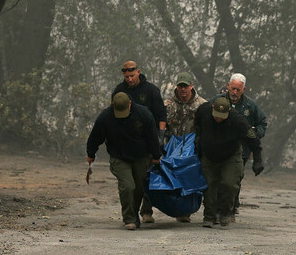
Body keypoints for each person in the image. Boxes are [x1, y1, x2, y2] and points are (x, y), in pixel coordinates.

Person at [86, 92, 161, 230]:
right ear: (113, 105)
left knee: (139, 188)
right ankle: (129, 218)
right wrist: (91, 154)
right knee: (127, 186)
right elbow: (95, 137)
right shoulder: (105, 117)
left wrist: (156, 156)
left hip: (141, 157)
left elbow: (152, 137)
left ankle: (134, 215)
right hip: (119, 157)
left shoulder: (144, 114)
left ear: (130, 104)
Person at [194, 97, 264, 228]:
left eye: (222, 117)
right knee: (209, 186)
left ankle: (225, 212)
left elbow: (253, 138)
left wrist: (258, 161)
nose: (218, 119)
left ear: (229, 111)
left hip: (231, 155)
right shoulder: (204, 110)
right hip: (209, 155)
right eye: (216, 116)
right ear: (212, 108)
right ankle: (209, 216)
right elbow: (197, 120)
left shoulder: (238, 120)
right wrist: (198, 137)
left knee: (230, 184)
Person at [111, 60, 167, 223]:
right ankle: (131, 214)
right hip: (127, 142)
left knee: (146, 178)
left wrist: (160, 138)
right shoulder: (119, 91)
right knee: (131, 183)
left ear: (138, 72)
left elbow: (161, 115)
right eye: (126, 76)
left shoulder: (151, 90)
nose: (129, 79)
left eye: (132, 75)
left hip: (148, 140)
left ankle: (146, 211)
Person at [212, 73, 267, 218]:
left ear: (244, 89)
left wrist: (256, 134)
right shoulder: (218, 101)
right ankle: (218, 208)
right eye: (233, 89)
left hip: (242, 149)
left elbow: (262, 123)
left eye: (238, 90)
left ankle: (232, 206)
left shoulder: (250, 105)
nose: (235, 93)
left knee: (235, 178)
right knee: (219, 179)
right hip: (219, 148)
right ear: (228, 86)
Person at [163, 71, 206, 223]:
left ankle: (185, 212)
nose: (182, 89)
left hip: (192, 149)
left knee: (190, 180)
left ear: (191, 86)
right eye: (180, 86)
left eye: (185, 86)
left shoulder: (202, 105)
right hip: (171, 147)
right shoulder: (168, 105)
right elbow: (162, 126)